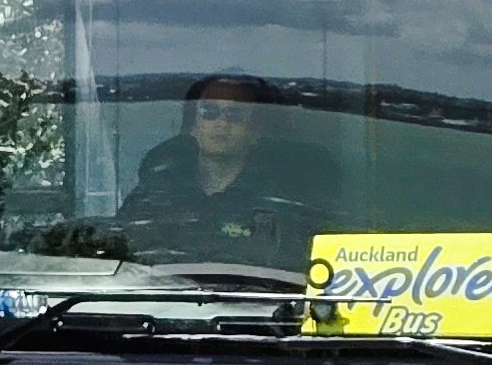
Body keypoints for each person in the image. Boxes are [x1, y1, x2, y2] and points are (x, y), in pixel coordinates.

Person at [119, 74, 335, 271]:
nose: (221, 123)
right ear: (192, 126)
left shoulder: (286, 202)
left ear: (255, 132)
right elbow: (121, 260)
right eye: (209, 112)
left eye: (235, 114)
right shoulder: (153, 196)